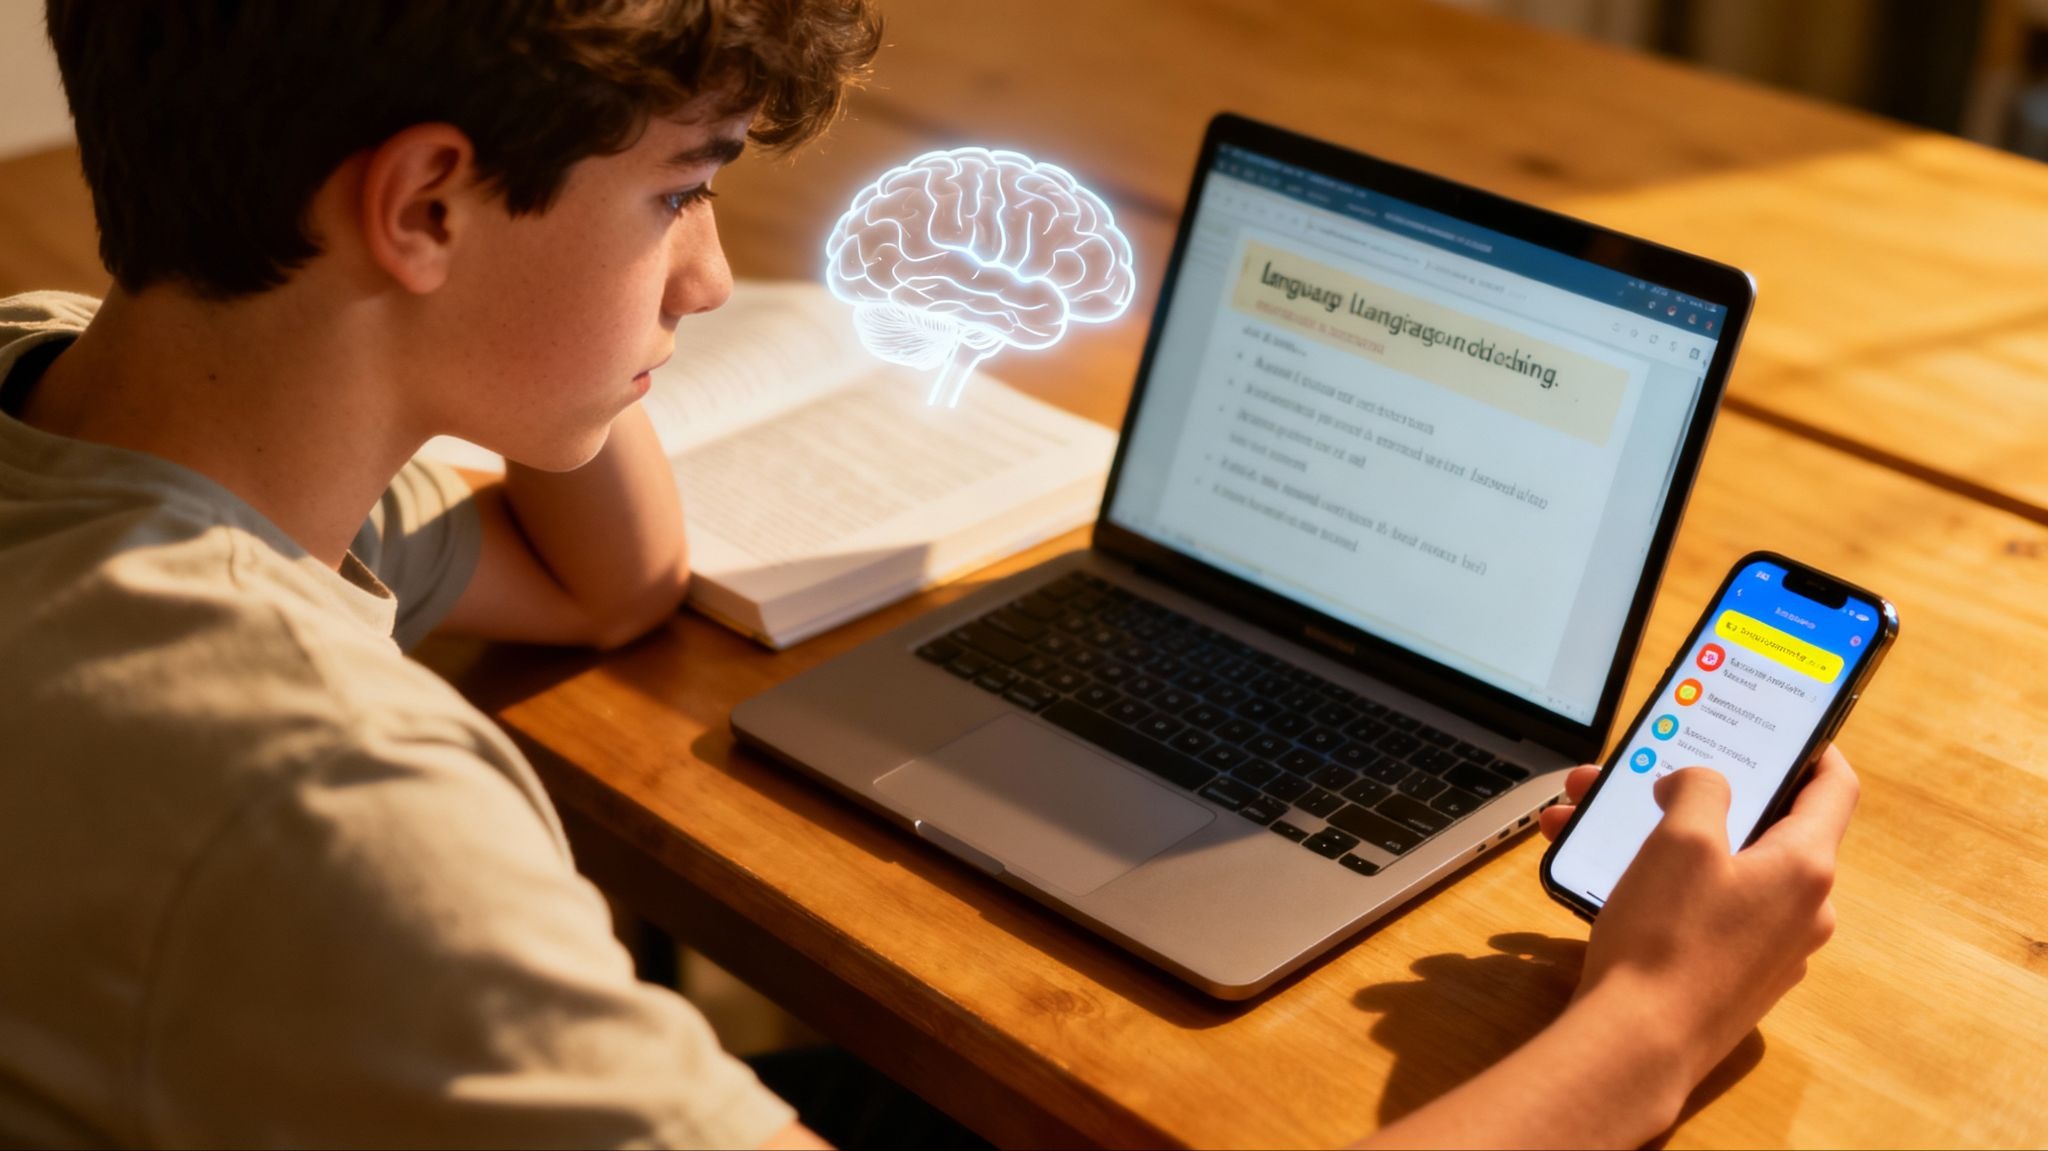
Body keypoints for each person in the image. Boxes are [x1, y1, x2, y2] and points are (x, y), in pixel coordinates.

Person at [0, 2, 1855, 1148]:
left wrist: (563, 336)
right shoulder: (315, 802)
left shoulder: (75, 385)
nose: (715, 277)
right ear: (419, 205)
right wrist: (1655, 1018)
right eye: (684, 191)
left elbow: (603, 593)